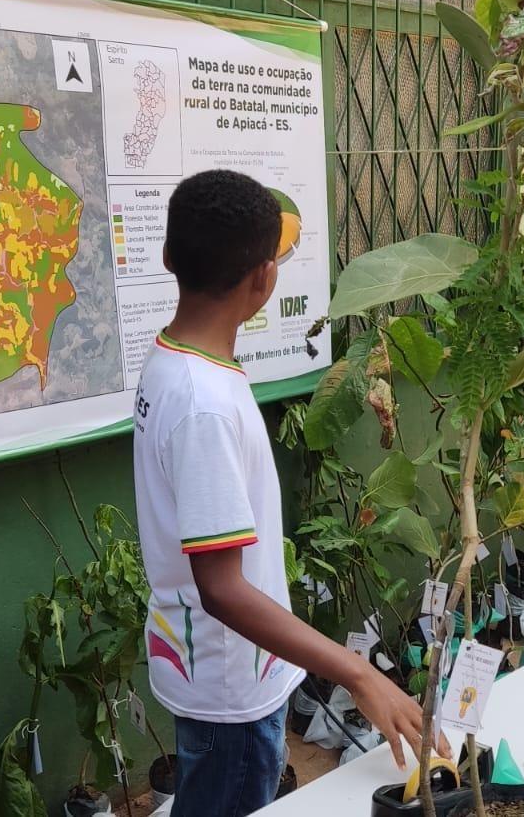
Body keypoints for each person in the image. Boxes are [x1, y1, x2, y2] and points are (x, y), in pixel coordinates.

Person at [133, 169, 446, 816]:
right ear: (264, 280)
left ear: (168, 257)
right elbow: (221, 587)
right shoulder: (205, 404)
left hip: (201, 663)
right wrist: (359, 673)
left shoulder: (171, 363)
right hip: (230, 685)